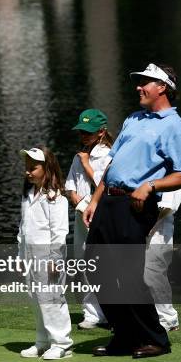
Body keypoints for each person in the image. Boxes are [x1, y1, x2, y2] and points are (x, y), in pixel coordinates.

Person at [83, 63, 181, 358]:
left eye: (145, 82)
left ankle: (155, 339)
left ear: (163, 88)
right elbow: (111, 163)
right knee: (95, 266)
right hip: (109, 200)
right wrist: (96, 199)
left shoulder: (175, 127)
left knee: (128, 274)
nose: (138, 86)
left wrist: (151, 186)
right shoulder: (134, 118)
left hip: (135, 204)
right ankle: (124, 336)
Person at [18, 146, 73, 360]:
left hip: (48, 256)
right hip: (30, 255)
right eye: (27, 167)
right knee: (35, 297)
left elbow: (59, 231)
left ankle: (62, 343)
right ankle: (42, 341)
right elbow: (23, 228)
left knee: (51, 297)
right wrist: (20, 255)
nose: (28, 171)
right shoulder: (28, 194)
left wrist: (55, 259)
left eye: (34, 167)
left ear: (46, 167)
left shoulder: (56, 197)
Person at [65, 109, 113, 329]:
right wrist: (79, 203)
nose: (83, 135)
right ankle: (92, 312)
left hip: (103, 215)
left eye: (88, 132)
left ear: (101, 132)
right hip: (81, 215)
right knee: (83, 263)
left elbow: (105, 186)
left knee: (106, 263)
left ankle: (113, 311)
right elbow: (70, 188)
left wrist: (86, 164)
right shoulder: (80, 154)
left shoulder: (109, 155)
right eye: (81, 131)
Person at [145, 189, 181, 331]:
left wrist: (151, 226)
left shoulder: (173, 173)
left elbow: (167, 206)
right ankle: (145, 317)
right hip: (143, 224)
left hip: (159, 226)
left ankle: (167, 318)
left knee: (154, 274)